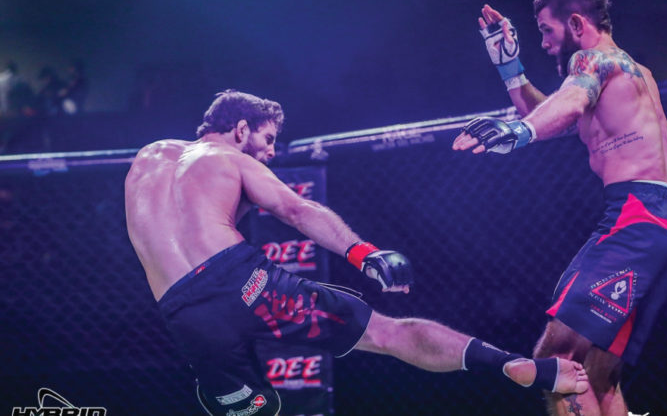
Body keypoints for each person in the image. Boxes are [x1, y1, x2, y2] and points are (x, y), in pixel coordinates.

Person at [125, 90, 588, 415]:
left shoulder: (148, 157)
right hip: (241, 281)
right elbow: (296, 209)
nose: (270, 153)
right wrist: (364, 253)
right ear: (241, 129)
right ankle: (519, 367)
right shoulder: (232, 159)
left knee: (255, 409)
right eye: (267, 140)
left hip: (182, 312)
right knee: (387, 333)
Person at [452, 0, 667, 415]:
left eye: (547, 31)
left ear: (578, 24)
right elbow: (560, 113)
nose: (545, 43)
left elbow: (570, 102)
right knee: (599, 375)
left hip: (636, 218)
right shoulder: (633, 72)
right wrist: (510, 69)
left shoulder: (592, 60)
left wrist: (519, 133)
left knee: (557, 361)